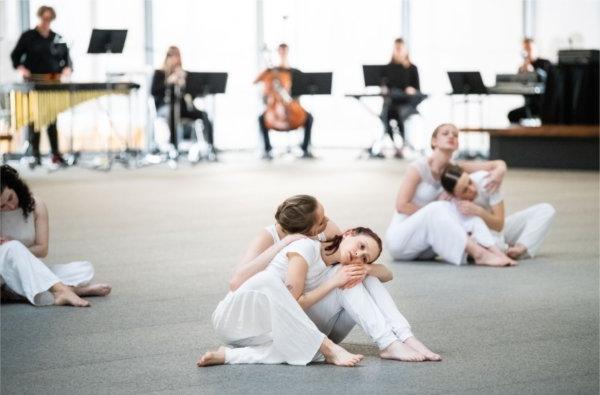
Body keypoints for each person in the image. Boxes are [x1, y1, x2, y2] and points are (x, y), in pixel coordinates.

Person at [225, 195, 440, 363]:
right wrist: (283, 244)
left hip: (316, 317)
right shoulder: (280, 240)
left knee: (359, 275)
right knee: (344, 279)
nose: (327, 221)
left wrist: (364, 267)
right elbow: (237, 283)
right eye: (321, 220)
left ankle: (404, 337)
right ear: (309, 229)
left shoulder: (328, 232)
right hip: (278, 315)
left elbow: (381, 270)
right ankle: (388, 343)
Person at [385, 123, 515, 267]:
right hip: (402, 239)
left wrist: (500, 171)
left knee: (464, 211)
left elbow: (494, 165)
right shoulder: (418, 168)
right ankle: (479, 254)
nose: (451, 136)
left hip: (427, 248)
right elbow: (401, 205)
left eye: (455, 135)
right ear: (434, 141)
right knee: (440, 208)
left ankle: (496, 251)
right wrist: (435, 211)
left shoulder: (455, 169)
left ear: (458, 144)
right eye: (445, 133)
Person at [0, 165, 111, 307]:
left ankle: (13, 293)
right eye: (1, 206)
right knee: (12, 248)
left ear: (14, 186)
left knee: (83, 269)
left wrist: (18, 250)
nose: (10, 206)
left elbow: (42, 249)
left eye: (10, 198)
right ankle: (63, 290)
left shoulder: (36, 205)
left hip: (25, 270)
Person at [440, 164, 556, 260]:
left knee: (546, 210)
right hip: (485, 237)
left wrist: (479, 211)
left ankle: (521, 247)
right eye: (465, 190)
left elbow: (499, 225)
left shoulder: (487, 181)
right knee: (485, 243)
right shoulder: (450, 203)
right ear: (453, 195)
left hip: (498, 229)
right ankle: (505, 250)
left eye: (470, 182)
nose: (472, 189)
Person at [10, 5, 71, 167]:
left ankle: (55, 154)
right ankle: (35, 155)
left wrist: (67, 69)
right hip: (33, 83)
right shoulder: (28, 36)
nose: (46, 22)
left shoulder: (57, 38)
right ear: (39, 17)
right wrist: (22, 69)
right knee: (34, 120)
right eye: (44, 18)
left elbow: (67, 60)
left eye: (49, 19)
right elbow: (15, 56)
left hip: (52, 83)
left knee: (52, 120)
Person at [150, 46, 216, 160]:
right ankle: (173, 147)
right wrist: (169, 81)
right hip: (165, 108)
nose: (175, 59)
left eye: (177, 56)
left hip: (183, 108)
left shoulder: (185, 74)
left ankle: (210, 148)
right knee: (172, 112)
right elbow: (153, 92)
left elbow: (193, 95)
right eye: (172, 56)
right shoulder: (159, 74)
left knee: (204, 115)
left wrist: (184, 84)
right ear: (167, 57)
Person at [254, 43, 314, 160]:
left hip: (292, 106)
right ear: (278, 52)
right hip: (275, 108)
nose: (283, 53)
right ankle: (267, 150)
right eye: (281, 51)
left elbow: (300, 91)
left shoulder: (295, 72)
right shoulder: (271, 71)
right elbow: (256, 81)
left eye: (285, 51)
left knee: (309, 118)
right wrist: (268, 71)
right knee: (261, 119)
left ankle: (305, 149)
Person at [378, 38, 421, 159]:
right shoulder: (387, 68)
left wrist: (412, 90)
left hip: (407, 104)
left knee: (399, 114)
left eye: (400, 48)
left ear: (405, 50)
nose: (398, 51)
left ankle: (403, 144)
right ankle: (395, 145)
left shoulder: (412, 68)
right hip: (391, 103)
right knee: (385, 115)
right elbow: (383, 85)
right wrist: (384, 89)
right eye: (396, 48)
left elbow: (418, 89)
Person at [507, 38, 553, 124]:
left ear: (536, 49)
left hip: (544, 105)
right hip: (529, 105)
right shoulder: (522, 68)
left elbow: (549, 83)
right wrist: (522, 74)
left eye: (529, 49)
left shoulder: (545, 63)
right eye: (525, 49)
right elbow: (519, 88)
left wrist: (532, 72)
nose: (527, 52)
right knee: (512, 115)